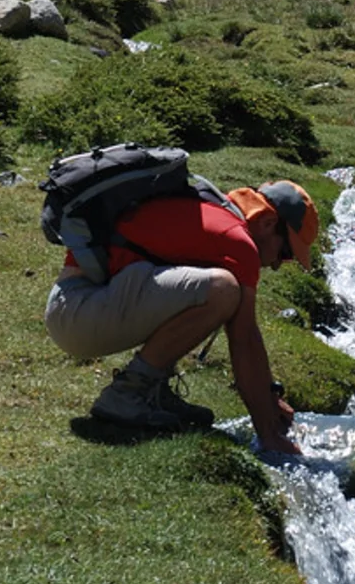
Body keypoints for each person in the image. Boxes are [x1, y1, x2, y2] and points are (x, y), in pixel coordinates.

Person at [44, 177, 319, 456]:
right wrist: (269, 437)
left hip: (78, 306)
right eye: (284, 253)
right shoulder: (238, 241)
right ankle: (128, 394)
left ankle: (154, 392)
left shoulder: (216, 211)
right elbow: (244, 337)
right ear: (269, 223)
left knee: (219, 290)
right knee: (223, 290)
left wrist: (269, 397)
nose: (275, 265)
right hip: (78, 311)